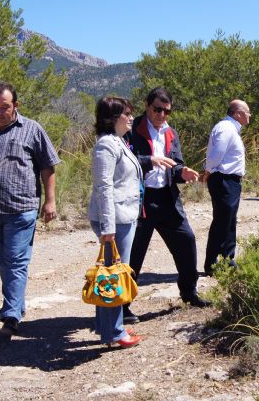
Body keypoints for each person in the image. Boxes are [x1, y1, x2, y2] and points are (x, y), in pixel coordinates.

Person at [0, 82, 59, 336]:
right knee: (1, 260)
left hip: (21, 209)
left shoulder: (32, 129)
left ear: (15, 105)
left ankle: (11, 316)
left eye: (4, 107)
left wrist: (50, 201)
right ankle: (14, 304)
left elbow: (48, 167)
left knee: (15, 261)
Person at [125, 88, 209, 324]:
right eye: (157, 109)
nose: (162, 114)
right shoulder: (131, 129)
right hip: (141, 199)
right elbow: (125, 161)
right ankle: (123, 305)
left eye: (166, 111)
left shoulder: (171, 133)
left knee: (186, 239)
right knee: (134, 252)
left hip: (167, 198)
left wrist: (183, 172)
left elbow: (176, 164)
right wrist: (150, 161)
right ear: (147, 106)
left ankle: (189, 292)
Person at [87, 96, 142, 348]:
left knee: (110, 273)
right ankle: (115, 332)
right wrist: (108, 227)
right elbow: (104, 187)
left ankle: (107, 327)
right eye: (126, 113)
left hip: (123, 216)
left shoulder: (118, 142)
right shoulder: (106, 145)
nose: (131, 117)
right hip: (115, 220)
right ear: (112, 118)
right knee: (113, 276)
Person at [202, 99, 250, 276]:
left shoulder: (230, 129)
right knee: (222, 222)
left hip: (230, 181)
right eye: (247, 112)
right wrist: (208, 171)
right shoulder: (226, 128)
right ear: (237, 113)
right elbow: (216, 154)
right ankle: (212, 264)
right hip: (224, 180)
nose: (249, 115)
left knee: (229, 221)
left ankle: (227, 260)